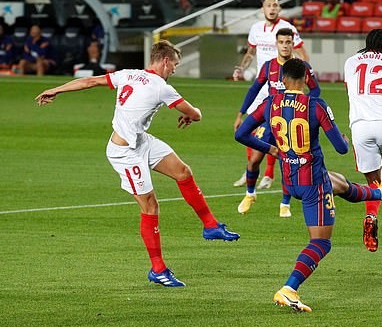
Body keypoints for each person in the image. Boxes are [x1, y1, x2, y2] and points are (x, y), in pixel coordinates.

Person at [35, 40, 240, 287]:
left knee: (183, 172)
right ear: (165, 61)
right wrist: (193, 114)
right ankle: (158, 270)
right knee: (150, 206)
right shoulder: (161, 87)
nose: (174, 69)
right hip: (125, 153)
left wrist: (56, 89)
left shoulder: (128, 74)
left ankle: (210, 226)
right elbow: (195, 114)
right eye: (174, 64)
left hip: (141, 141)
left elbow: (90, 81)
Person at [235, 58, 382, 312]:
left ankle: (381, 192)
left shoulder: (269, 104)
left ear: (283, 80)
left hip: (290, 179)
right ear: (306, 80)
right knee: (321, 242)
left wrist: (273, 150)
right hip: (312, 182)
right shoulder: (315, 105)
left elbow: (240, 134)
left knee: (340, 184)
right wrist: (341, 136)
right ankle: (289, 289)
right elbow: (342, 148)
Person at [233, 28, 320, 218]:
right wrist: (241, 114)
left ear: (292, 43)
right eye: (282, 42)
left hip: (291, 121)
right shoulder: (268, 66)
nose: (285, 46)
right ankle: (249, 194)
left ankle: (285, 203)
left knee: (287, 162)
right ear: (276, 43)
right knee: (254, 159)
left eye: (288, 42)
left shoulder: (301, 67)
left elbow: (315, 90)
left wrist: (303, 107)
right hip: (270, 117)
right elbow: (254, 89)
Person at [232, 0, 309, 190]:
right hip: (262, 84)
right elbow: (250, 52)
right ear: (262, 8)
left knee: (276, 129)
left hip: (282, 85)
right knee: (251, 130)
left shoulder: (287, 29)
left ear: (280, 9)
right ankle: (251, 168)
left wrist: (306, 73)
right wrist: (241, 68)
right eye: (269, 5)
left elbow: (301, 51)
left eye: (276, 5)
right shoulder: (256, 29)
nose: (272, 8)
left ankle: (269, 174)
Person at [343, 29, 382, 252]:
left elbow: (350, 90)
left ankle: (371, 214)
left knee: (372, 182)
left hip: (360, 126)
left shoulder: (350, 63)